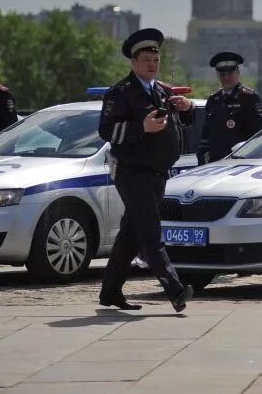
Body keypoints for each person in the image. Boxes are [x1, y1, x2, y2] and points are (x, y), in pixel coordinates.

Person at [97, 28, 195, 312]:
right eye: (147, 59)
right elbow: (106, 130)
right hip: (132, 172)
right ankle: (175, 291)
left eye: (156, 59)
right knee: (151, 233)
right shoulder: (121, 92)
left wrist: (187, 108)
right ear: (134, 63)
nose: (153, 64)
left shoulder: (162, 91)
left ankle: (110, 292)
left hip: (158, 172)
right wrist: (141, 127)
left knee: (130, 232)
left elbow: (184, 123)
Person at [197, 51, 262, 165]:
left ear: (238, 73)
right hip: (215, 164)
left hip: (240, 164)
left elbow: (259, 136)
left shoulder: (250, 98)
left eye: (230, 73)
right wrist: (202, 157)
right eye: (222, 74)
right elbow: (206, 135)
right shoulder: (213, 100)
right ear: (217, 75)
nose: (226, 77)